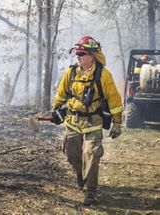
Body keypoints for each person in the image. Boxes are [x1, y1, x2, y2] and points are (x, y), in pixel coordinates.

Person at [52, 35, 123, 206]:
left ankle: (90, 191)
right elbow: (61, 93)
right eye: (77, 54)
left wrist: (117, 122)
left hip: (93, 122)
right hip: (73, 121)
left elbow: (114, 100)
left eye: (82, 54)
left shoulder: (104, 75)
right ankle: (81, 175)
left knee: (91, 154)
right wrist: (55, 109)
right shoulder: (71, 72)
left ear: (92, 55)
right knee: (71, 153)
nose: (78, 57)